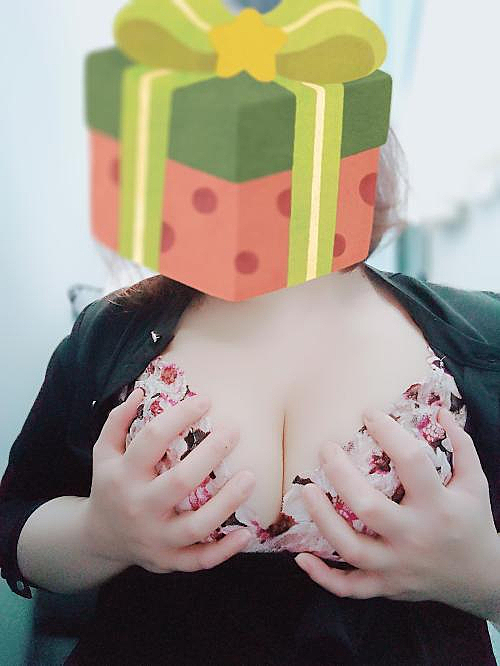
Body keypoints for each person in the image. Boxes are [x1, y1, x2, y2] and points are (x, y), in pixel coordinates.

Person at [1, 130, 499, 665]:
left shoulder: (483, 336)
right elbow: (17, 520)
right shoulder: (111, 331)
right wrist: (98, 535)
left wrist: (478, 574)